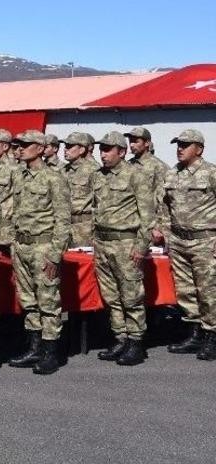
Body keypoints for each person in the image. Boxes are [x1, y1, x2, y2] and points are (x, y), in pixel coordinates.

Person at [7, 131, 70, 375]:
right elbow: (15, 213)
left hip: (43, 246)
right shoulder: (19, 177)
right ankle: (33, 348)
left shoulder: (54, 178)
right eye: (18, 145)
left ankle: (50, 352)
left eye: (25, 145)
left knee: (48, 300)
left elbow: (63, 220)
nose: (20, 149)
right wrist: (13, 242)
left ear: (41, 148)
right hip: (22, 246)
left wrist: (55, 254)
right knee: (28, 300)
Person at [92, 131, 156, 366]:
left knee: (131, 295)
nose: (103, 154)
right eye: (102, 149)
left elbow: (147, 216)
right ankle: (120, 338)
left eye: (108, 150)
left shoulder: (135, 176)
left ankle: (136, 342)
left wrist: (141, 246)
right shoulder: (98, 176)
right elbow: (95, 209)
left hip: (126, 243)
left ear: (122, 152)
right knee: (111, 295)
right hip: (103, 242)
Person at [160, 130, 216, 360]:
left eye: (185, 145)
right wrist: (165, 233)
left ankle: (211, 336)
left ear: (199, 149)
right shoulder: (173, 174)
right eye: (178, 144)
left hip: (205, 240)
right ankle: (194, 333)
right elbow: (164, 205)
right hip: (178, 240)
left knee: (208, 291)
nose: (179, 148)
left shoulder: (211, 173)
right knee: (185, 290)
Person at [127, 127, 171, 241]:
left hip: (148, 226)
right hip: (128, 225)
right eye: (130, 141)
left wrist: (159, 227)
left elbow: (164, 200)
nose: (131, 145)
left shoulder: (159, 167)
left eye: (136, 141)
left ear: (147, 143)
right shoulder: (127, 165)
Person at [62, 132, 99, 247]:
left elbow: (101, 203)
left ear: (82, 150)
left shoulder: (94, 170)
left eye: (69, 146)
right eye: (65, 146)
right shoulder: (63, 170)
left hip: (84, 228)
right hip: (63, 226)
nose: (65, 150)